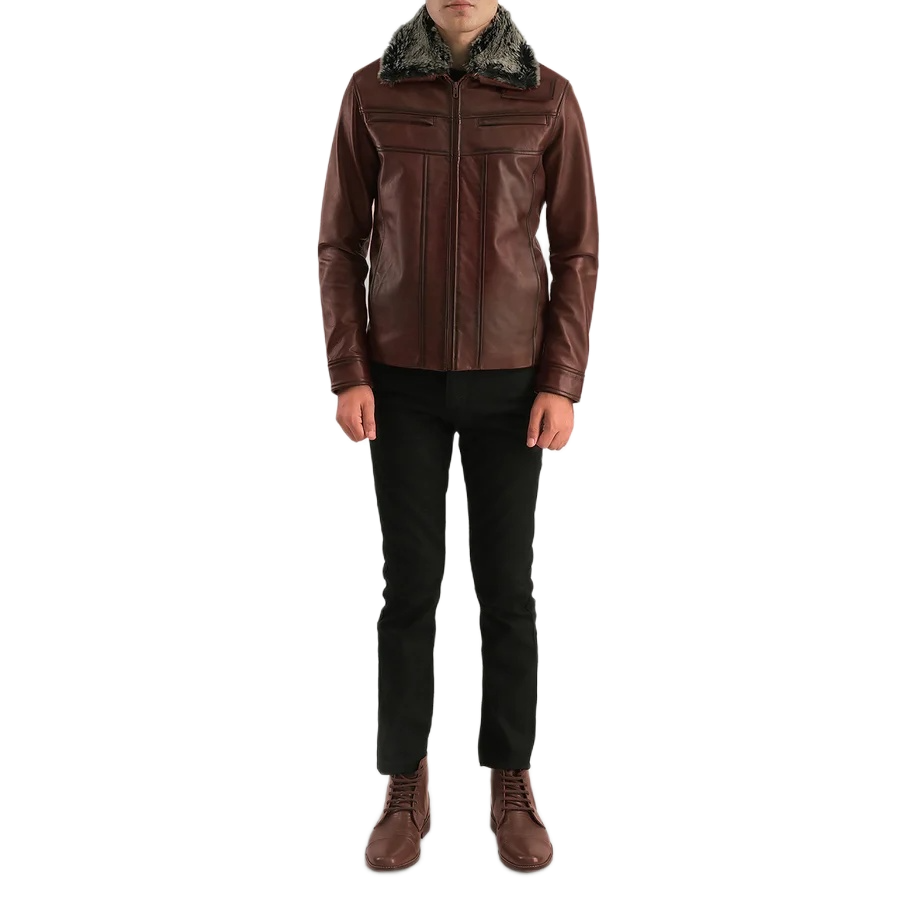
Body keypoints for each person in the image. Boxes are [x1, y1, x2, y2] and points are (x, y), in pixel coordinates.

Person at [316, 0, 599, 877]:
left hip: (514, 384)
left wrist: (561, 380)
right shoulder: (371, 90)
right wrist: (348, 369)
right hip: (398, 383)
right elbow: (338, 242)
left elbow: (579, 250)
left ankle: (512, 779)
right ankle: (405, 782)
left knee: (507, 590)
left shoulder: (549, 95)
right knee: (409, 590)